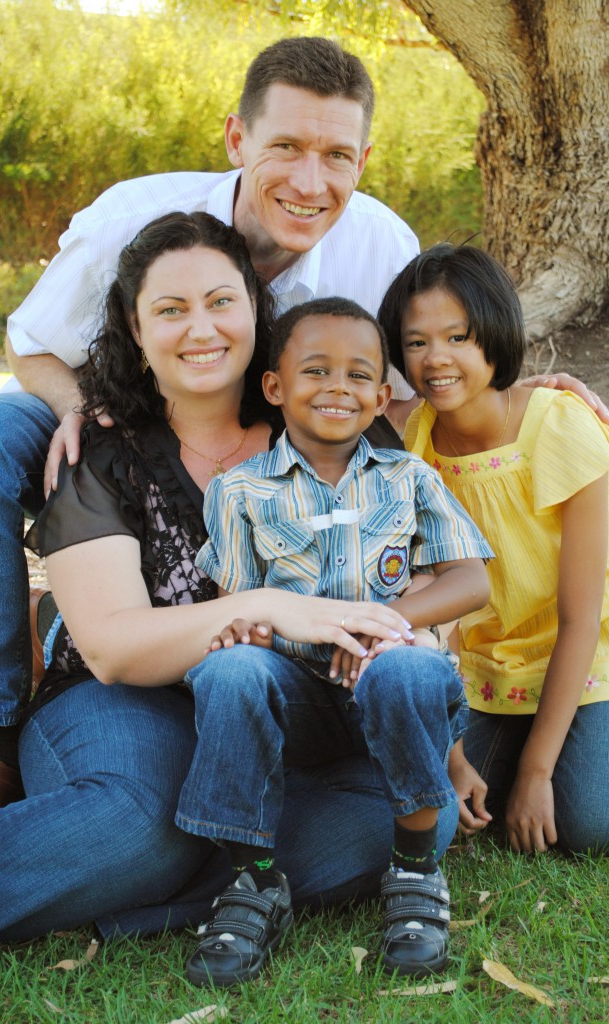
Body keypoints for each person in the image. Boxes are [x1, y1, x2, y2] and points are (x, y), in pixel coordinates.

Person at [0, 35, 607, 808]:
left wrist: (506, 392)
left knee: (362, 813)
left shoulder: (378, 245)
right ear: (237, 139)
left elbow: (405, 388)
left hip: (264, 446)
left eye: (336, 155)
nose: (311, 182)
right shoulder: (133, 218)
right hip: (107, 405)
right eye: (285, 147)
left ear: (363, 159)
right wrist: (82, 408)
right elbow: (31, 340)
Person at [0, 212, 425, 943]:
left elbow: (410, 576)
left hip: (283, 709)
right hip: (123, 704)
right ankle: (157, 863)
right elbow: (115, 651)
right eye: (170, 310)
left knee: (390, 819)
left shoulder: (334, 423)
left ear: (256, 307)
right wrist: (270, 605)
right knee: (145, 822)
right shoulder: (103, 456)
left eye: (221, 301)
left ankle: (149, 907)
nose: (201, 329)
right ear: (134, 326)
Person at [175, 297, 493, 986]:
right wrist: (248, 628)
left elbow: (470, 580)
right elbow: (240, 603)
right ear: (275, 387)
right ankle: (254, 882)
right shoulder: (239, 492)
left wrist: (385, 624)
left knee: (405, 669)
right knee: (229, 671)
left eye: (357, 376)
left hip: (389, 689)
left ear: (382, 394)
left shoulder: (407, 479)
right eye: (315, 371)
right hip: (298, 702)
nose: (337, 389)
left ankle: (413, 873)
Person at [377, 242, 609, 856]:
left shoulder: (559, 425)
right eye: (416, 342)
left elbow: (582, 616)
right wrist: (452, 759)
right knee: (440, 808)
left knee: (592, 828)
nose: (436, 360)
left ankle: (553, 746)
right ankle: (519, 742)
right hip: (490, 654)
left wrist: (536, 774)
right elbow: (437, 610)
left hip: (595, 639)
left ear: (494, 332)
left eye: (458, 336)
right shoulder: (411, 443)